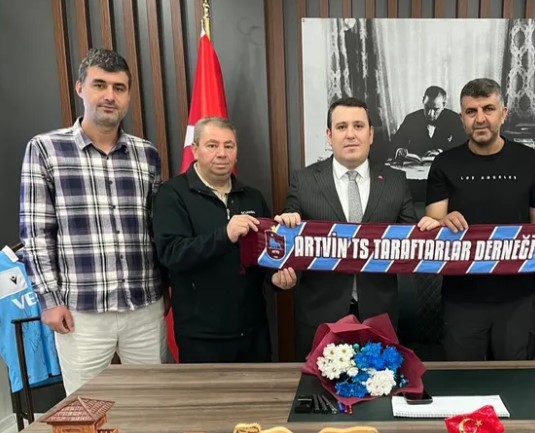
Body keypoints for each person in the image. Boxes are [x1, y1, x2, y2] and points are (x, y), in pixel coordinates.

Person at [19, 49, 168, 395]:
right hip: (81, 312)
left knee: (154, 400)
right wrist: (49, 300)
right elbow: (37, 233)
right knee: (86, 407)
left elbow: (157, 228)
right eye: (100, 85)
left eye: (119, 88)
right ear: (80, 88)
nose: (109, 96)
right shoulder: (45, 149)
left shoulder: (146, 154)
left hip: (144, 306)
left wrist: (166, 287)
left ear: (128, 95)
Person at [425, 78, 535, 361]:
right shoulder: (444, 163)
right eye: (471, 111)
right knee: (462, 378)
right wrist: (445, 220)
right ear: (461, 118)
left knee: (515, 379)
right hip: (461, 298)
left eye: (488, 109)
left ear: (503, 113)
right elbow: (433, 220)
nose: (480, 119)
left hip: (519, 296)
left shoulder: (529, 159)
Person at [275, 97, 439, 359]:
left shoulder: (395, 181)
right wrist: (287, 224)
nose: (350, 134)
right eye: (341, 127)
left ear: (370, 134)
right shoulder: (304, 181)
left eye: (358, 126)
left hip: (379, 316)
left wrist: (426, 230)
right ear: (329, 136)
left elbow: (411, 243)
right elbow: (287, 232)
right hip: (320, 317)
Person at [152, 117, 296, 363]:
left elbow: (263, 255)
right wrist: (224, 236)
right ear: (195, 149)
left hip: (253, 331)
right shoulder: (172, 194)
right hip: (201, 336)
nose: (222, 153)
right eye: (212, 145)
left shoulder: (252, 197)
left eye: (229, 146)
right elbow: (171, 254)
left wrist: (275, 278)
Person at [391, 86, 465, 164]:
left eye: (436, 109)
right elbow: (395, 143)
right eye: (427, 107)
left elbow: (463, 145)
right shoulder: (411, 119)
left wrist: (442, 152)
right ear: (423, 100)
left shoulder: (454, 119)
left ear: (444, 104)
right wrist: (400, 150)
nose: (430, 114)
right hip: (414, 166)